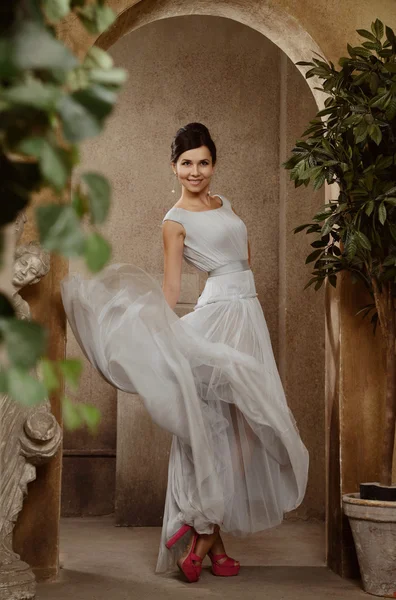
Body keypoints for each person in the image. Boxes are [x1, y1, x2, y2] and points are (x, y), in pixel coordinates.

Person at [61, 123, 309, 583]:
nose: (195, 171)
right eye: (186, 163)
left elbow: (245, 263)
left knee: (243, 429)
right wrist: (161, 336)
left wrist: (245, 307)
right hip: (217, 317)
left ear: (214, 164)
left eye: (204, 162)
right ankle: (201, 540)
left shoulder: (225, 204)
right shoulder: (174, 221)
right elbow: (172, 289)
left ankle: (208, 544)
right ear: (174, 167)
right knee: (218, 430)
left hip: (246, 318)